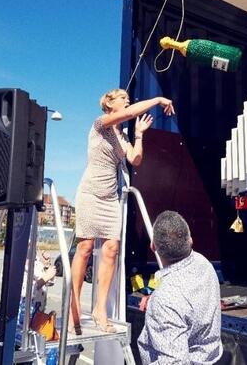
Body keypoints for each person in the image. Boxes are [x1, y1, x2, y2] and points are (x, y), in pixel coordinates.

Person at [69, 89, 175, 334]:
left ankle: (99, 310)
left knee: (112, 249)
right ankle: (73, 306)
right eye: (122, 98)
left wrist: (138, 135)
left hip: (110, 198)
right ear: (109, 104)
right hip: (90, 193)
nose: (128, 101)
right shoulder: (100, 124)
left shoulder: (123, 136)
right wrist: (159, 99)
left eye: (128, 99)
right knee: (84, 248)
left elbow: (135, 159)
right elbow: (129, 113)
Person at [137, 211, 222, 364]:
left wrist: (158, 298)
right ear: (190, 240)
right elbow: (162, 278)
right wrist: (151, 292)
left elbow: (175, 361)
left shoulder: (164, 301)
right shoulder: (204, 264)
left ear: (152, 246)